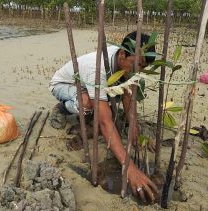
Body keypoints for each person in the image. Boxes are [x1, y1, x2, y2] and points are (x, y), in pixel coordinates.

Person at [48, 31, 158, 201]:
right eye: (137, 65)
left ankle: (90, 105)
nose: (139, 71)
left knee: (108, 97)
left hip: (89, 86)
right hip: (64, 85)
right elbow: (106, 122)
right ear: (122, 54)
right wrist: (130, 169)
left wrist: (135, 132)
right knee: (88, 103)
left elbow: (128, 96)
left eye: (143, 68)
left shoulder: (125, 61)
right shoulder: (97, 68)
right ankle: (63, 108)